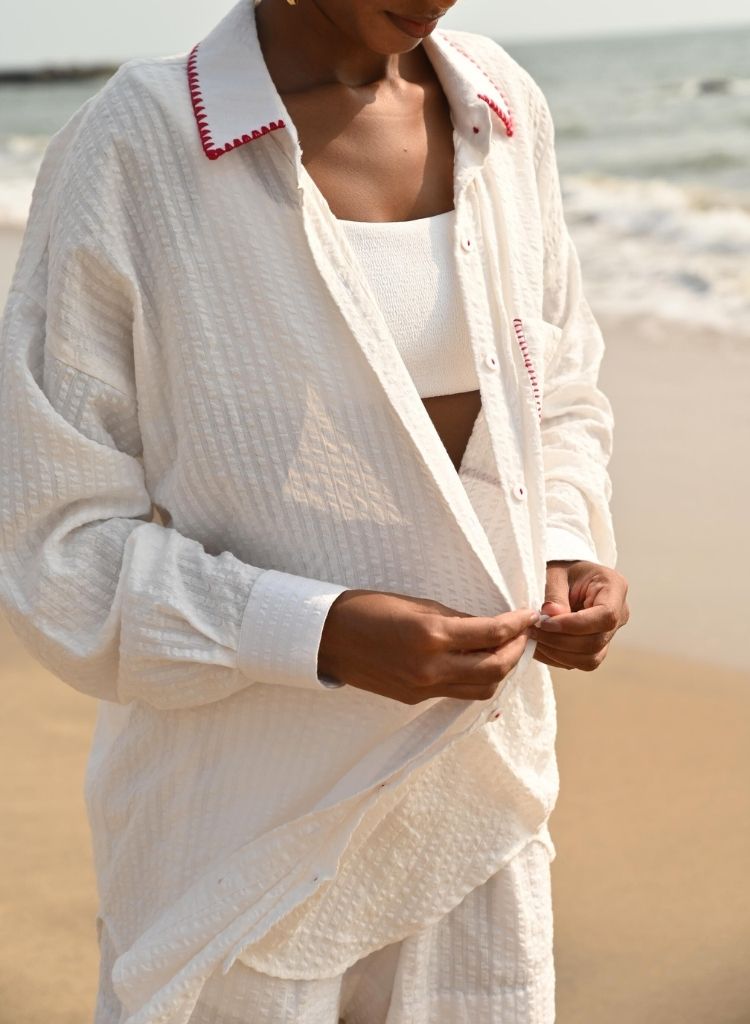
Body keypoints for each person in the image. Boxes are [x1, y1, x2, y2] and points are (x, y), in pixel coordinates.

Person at [0, 0, 630, 1021]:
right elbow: (53, 547)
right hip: (246, 825)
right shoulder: (142, 144)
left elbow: (555, 386)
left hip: (477, 799)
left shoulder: (501, 106)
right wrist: (319, 634)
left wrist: (560, 541)